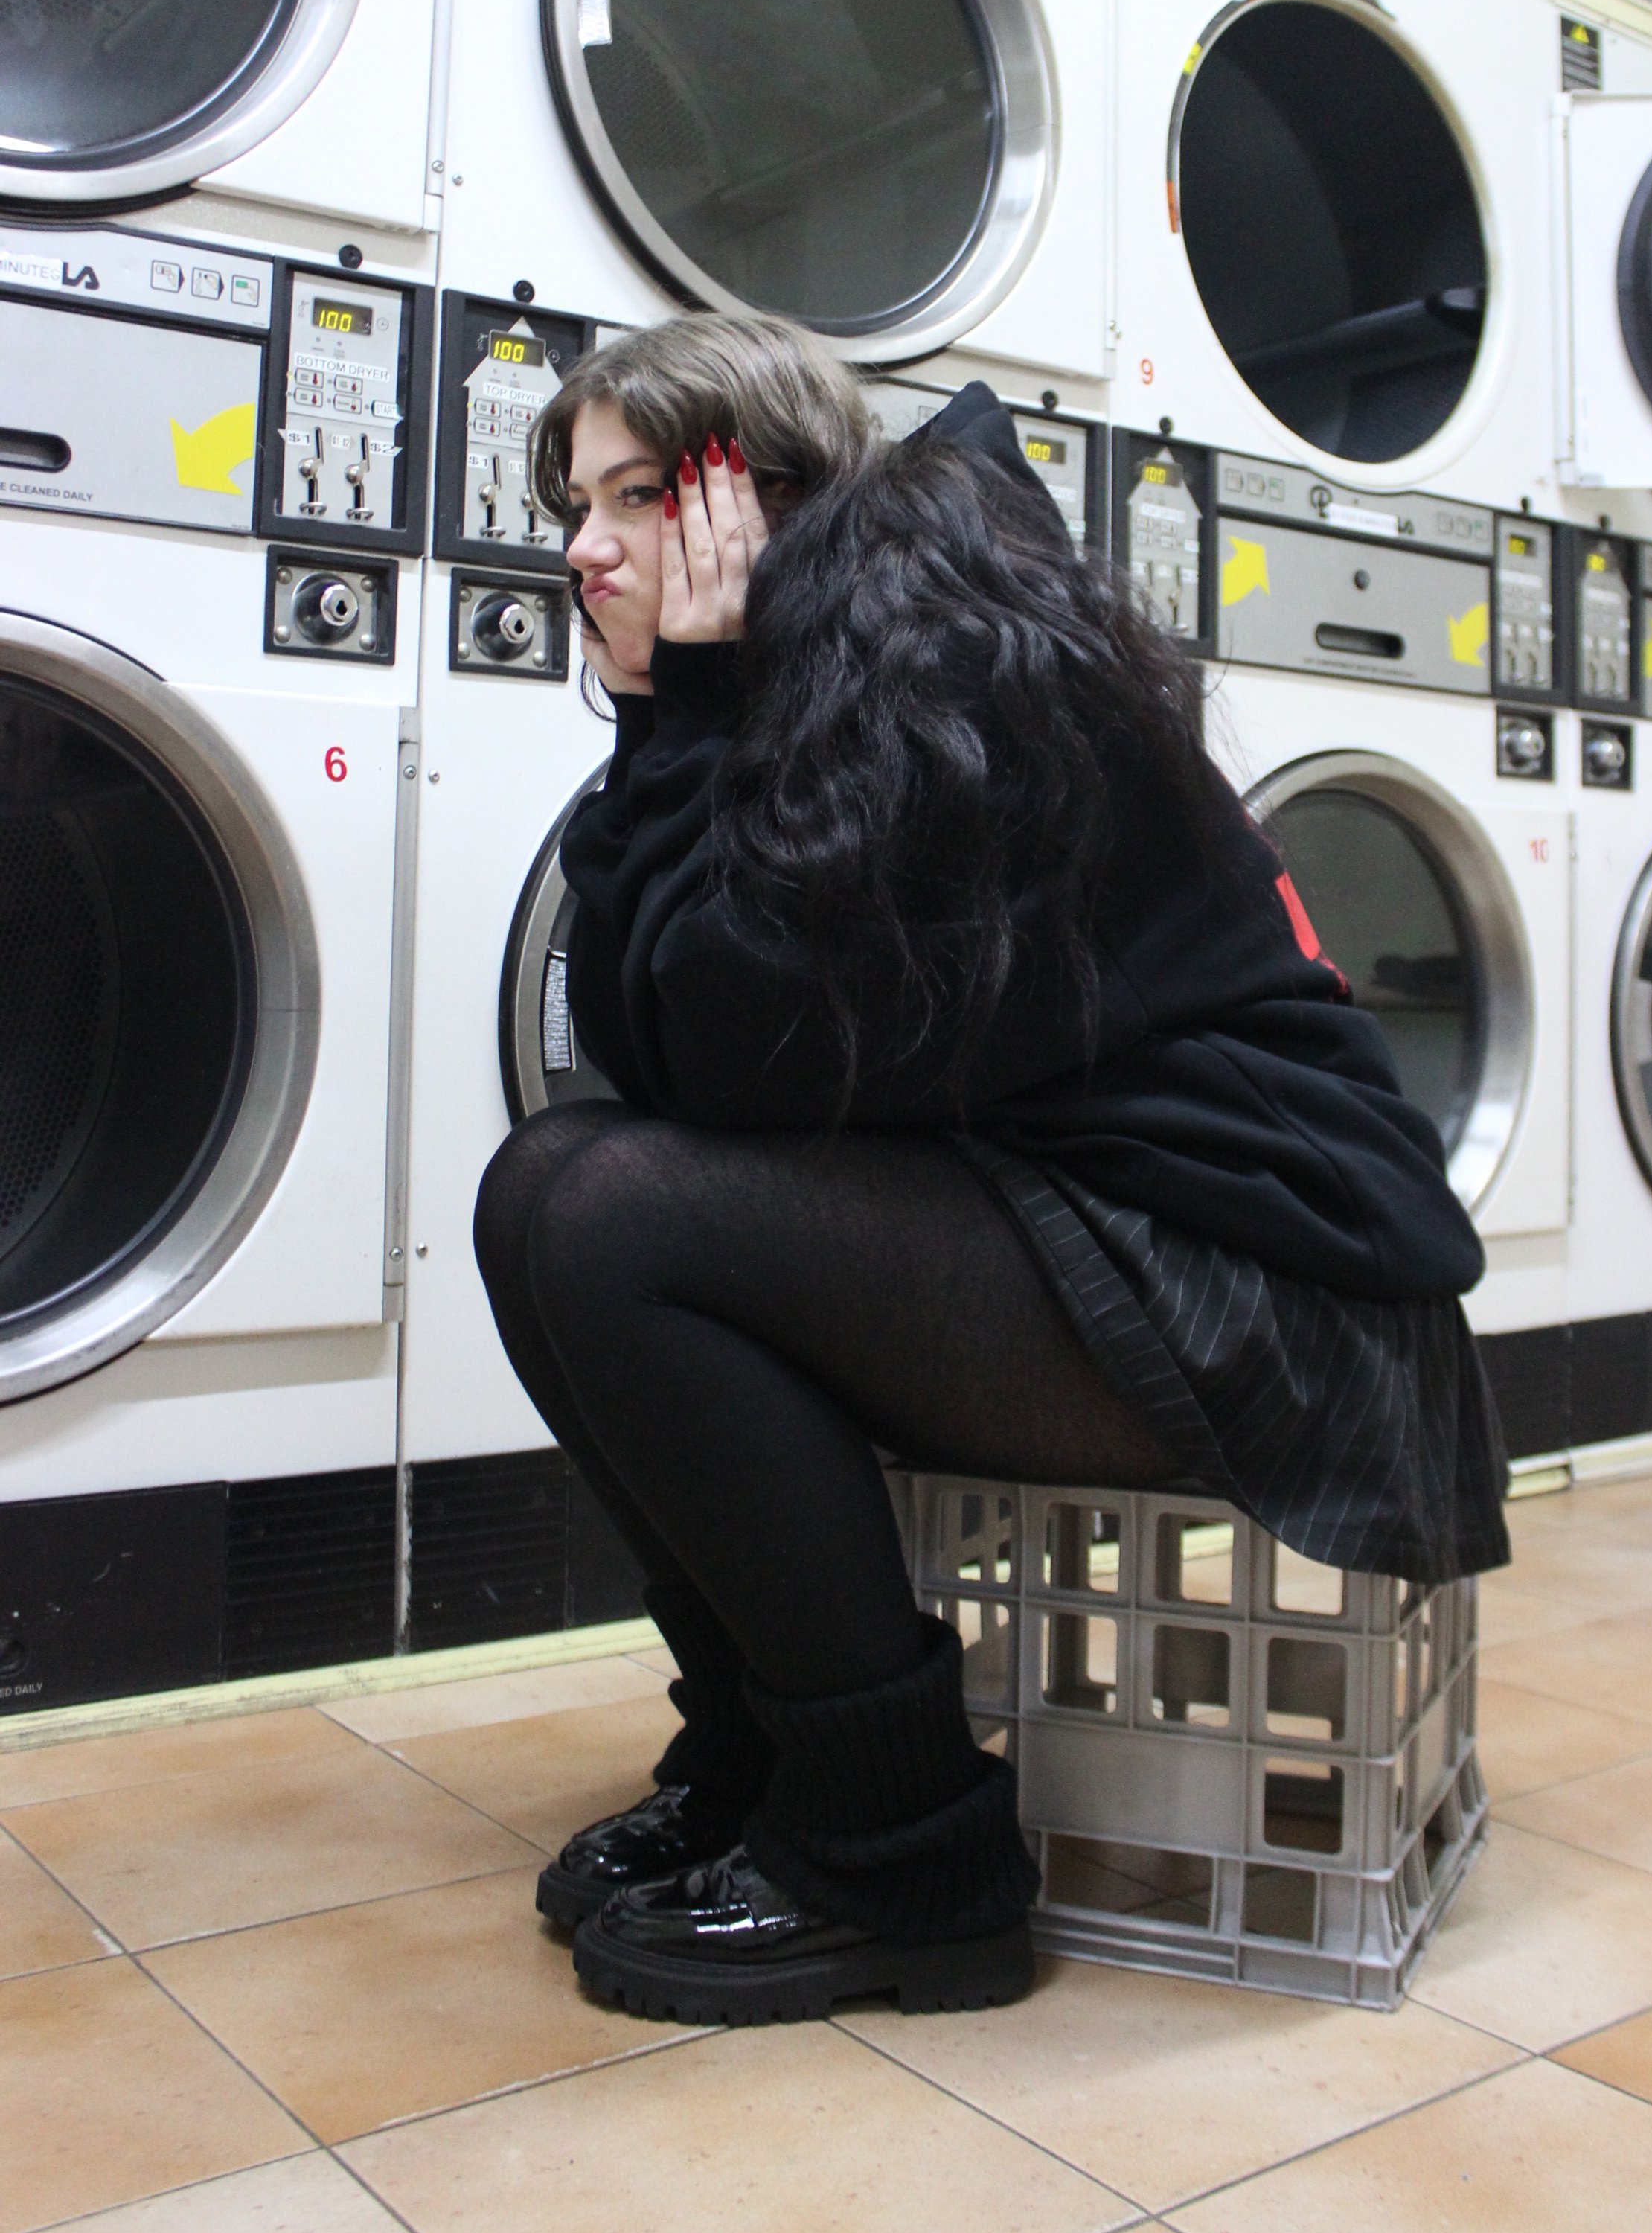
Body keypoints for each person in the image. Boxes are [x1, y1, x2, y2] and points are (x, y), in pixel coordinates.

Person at [474, 313, 1508, 2030]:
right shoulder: (803, 678)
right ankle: (762, 1758)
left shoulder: (956, 660)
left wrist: (695, 702)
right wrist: (672, 720)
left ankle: (906, 1866)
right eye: (575, 504)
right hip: (1096, 1234)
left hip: (1269, 1302)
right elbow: (658, 1056)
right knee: (551, 1182)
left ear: (767, 499)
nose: (583, 547)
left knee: (604, 1217)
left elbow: (732, 1063)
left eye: (639, 495)